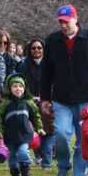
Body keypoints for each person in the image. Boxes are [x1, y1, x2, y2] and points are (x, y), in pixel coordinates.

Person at [40, 4, 88, 176]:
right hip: (61, 99)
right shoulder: (52, 41)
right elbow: (46, 72)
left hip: (87, 98)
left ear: (75, 19)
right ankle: (63, 167)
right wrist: (45, 98)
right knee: (62, 134)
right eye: (60, 22)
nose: (63, 25)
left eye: (66, 21)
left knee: (84, 140)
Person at [0, 74, 43, 176]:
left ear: (24, 88)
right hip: (9, 137)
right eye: (15, 86)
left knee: (23, 153)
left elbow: (36, 116)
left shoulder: (28, 103)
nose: (18, 88)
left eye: (20, 86)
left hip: (24, 135)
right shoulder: (5, 105)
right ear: (10, 89)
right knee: (12, 160)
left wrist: (39, 127)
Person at [18, 38, 53, 168]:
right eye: (33, 48)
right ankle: (36, 155)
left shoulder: (50, 64)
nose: (37, 50)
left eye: (39, 48)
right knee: (31, 130)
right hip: (29, 102)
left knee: (48, 131)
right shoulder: (24, 65)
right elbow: (21, 83)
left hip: (47, 102)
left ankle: (47, 162)